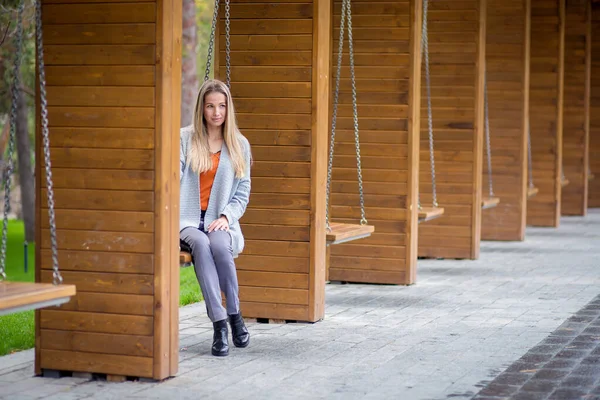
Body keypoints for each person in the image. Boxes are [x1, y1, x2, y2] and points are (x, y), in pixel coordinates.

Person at [179, 79, 252, 357]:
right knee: (201, 244)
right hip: (186, 221)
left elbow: (243, 191)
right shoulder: (185, 138)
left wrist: (226, 215)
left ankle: (235, 314)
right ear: (202, 108)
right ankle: (220, 323)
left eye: (221, 106)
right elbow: (173, 175)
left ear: (227, 108)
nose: (216, 112)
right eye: (210, 106)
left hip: (219, 219)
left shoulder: (239, 144)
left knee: (221, 245)